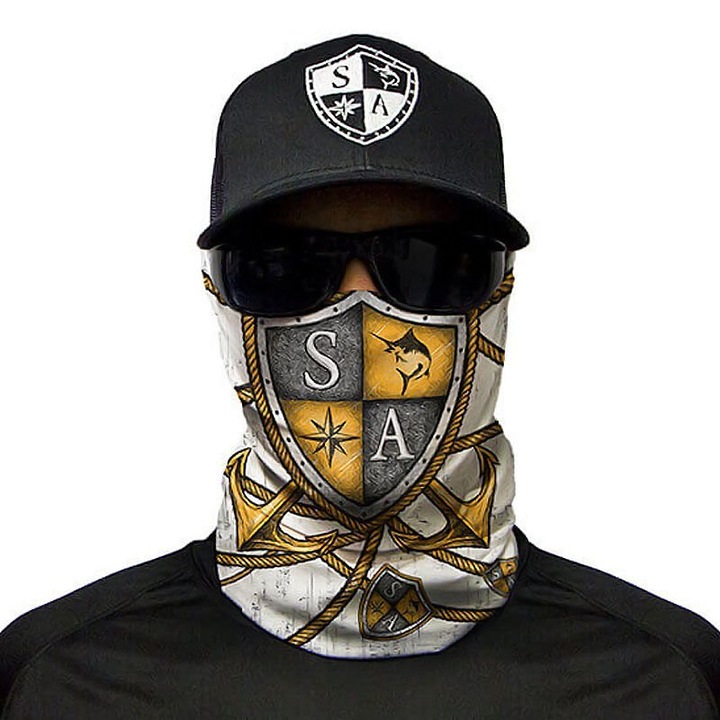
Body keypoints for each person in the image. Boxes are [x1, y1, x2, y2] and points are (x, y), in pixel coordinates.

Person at [1, 32, 719, 719]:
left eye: (431, 263)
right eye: (283, 267)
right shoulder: (58, 683)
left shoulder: (667, 682)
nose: (359, 322)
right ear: (221, 299)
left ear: (499, 296)